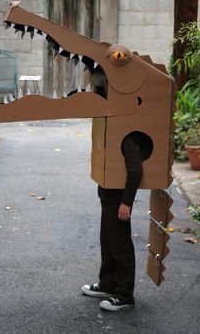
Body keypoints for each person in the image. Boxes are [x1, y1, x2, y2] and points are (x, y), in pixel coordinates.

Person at [81, 132, 143, 311]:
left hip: (119, 200)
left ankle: (125, 295)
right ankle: (107, 284)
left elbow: (136, 171)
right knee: (107, 242)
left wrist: (126, 202)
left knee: (120, 246)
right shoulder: (111, 129)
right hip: (108, 196)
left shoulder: (127, 135)